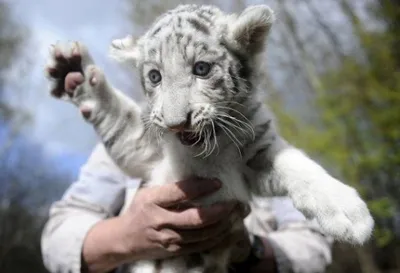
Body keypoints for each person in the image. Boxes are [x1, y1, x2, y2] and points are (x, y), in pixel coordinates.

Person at [41, 144, 333, 273]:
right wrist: (128, 237)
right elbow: (58, 238)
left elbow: (314, 245)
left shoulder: (273, 155)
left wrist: (248, 251)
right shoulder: (120, 145)